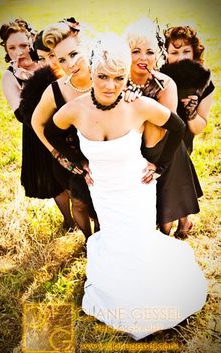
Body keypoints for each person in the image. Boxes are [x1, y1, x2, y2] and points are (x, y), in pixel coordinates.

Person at [44, 34, 207, 340]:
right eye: (102, 77)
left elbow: (179, 127)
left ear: (126, 76)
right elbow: (52, 131)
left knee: (137, 245)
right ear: (91, 72)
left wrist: (160, 166)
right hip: (103, 191)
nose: (109, 86)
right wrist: (75, 161)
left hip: (136, 190)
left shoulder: (139, 106)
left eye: (118, 78)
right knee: (115, 243)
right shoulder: (76, 109)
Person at [123, 18, 202, 237]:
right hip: (132, 147)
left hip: (164, 147)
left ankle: (181, 226)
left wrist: (138, 103)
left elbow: (163, 128)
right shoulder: (117, 81)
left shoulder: (165, 83)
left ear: (157, 54)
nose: (143, 58)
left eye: (149, 52)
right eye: (135, 51)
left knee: (167, 213)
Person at [0, 19, 74, 230]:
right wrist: (30, 83)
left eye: (23, 45)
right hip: (37, 132)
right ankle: (69, 221)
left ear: (31, 41)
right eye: (12, 47)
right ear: (5, 49)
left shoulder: (45, 60)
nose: (19, 52)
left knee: (74, 177)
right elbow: (21, 115)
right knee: (53, 182)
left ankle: (84, 216)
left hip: (65, 125)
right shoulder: (10, 76)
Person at [31, 19, 99, 238]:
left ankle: (102, 237)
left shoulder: (105, 79)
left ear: (86, 47)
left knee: (102, 207)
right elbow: (36, 123)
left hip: (102, 155)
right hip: (71, 159)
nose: (69, 64)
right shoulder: (55, 91)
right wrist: (57, 154)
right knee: (79, 204)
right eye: (61, 59)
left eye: (74, 54)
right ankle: (89, 241)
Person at [162, 25, 214, 155]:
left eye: (186, 51)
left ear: (194, 52)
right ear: (165, 55)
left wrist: (191, 112)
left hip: (182, 149)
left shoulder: (204, 84)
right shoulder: (158, 78)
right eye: (174, 53)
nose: (181, 58)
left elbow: (198, 128)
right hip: (155, 144)